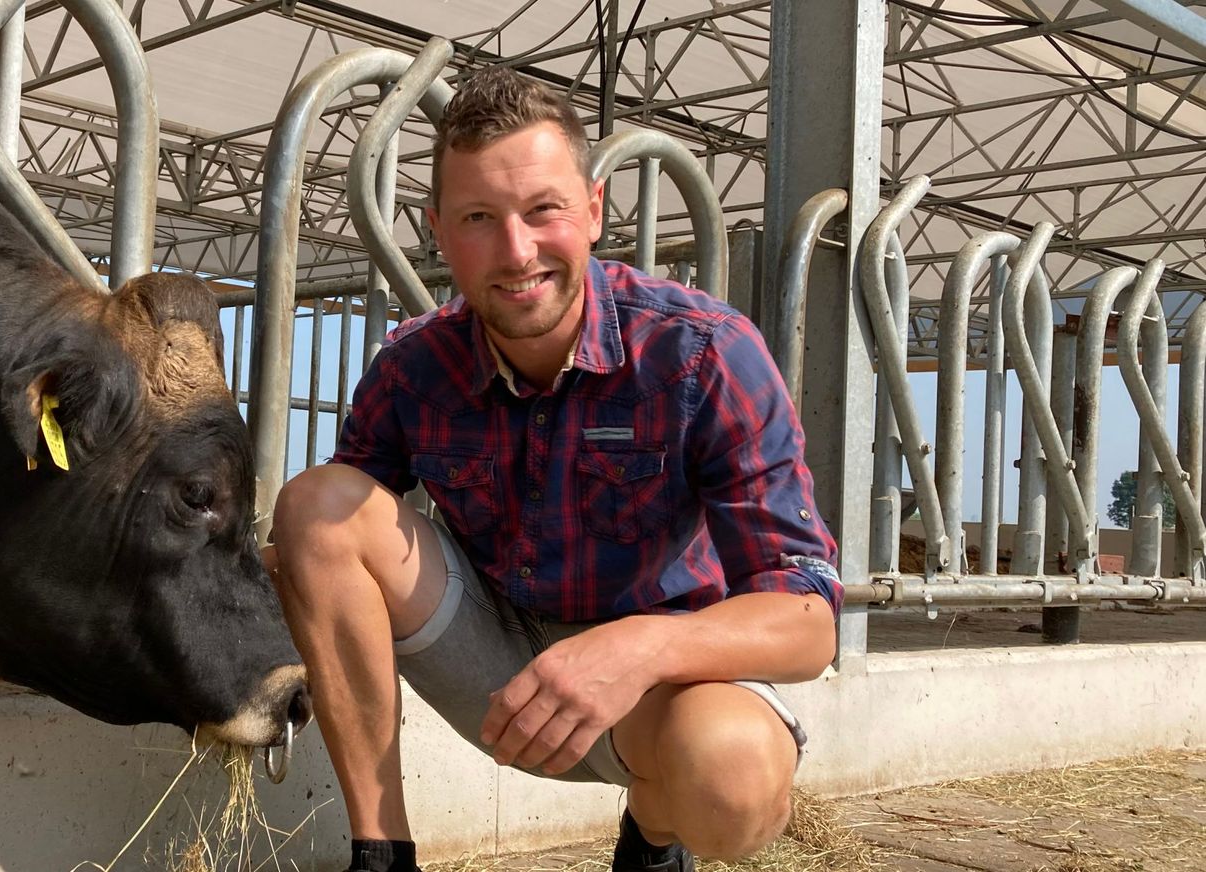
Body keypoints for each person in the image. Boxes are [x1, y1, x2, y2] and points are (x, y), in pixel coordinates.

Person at [264, 65, 844, 872]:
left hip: (654, 690)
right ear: (438, 230)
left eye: (545, 210)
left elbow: (808, 619)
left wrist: (633, 651)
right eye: (478, 218)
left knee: (734, 783)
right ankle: (382, 852)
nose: (516, 251)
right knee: (316, 502)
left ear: (595, 210)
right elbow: (329, 557)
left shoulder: (703, 352)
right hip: (492, 664)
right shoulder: (410, 368)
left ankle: (654, 830)